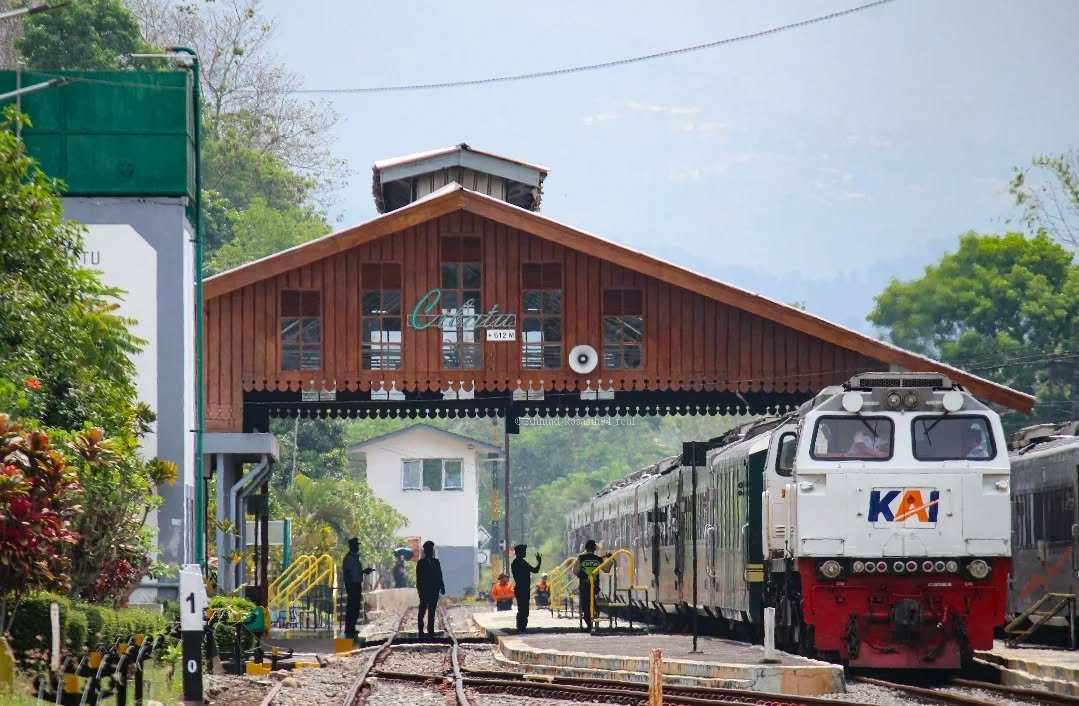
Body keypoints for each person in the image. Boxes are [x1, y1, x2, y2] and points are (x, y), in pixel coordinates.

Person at [342, 537, 375, 638]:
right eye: (356, 546)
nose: (357, 547)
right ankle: (349, 628)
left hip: (356, 584)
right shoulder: (349, 558)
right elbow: (347, 573)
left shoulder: (355, 558)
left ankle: (352, 627)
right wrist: (349, 585)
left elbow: (355, 572)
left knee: (355, 606)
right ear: (352, 546)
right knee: (352, 606)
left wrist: (364, 572)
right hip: (352, 585)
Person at [575, 539, 608, 632]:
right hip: (595, 586)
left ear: (586, 548)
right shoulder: (598, 559)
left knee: (585, 606)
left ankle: (589, 625)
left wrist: (582, 576)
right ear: (594, 549)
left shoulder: (581, 558)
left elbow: (575, 571)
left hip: (584, 585)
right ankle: (596, 622)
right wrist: (610, 559)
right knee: (594, 604)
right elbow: (607, 569)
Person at [415, 540, 445, 635]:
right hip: (424, 591)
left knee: (432, 611)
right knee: (422, 610)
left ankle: (430, 630)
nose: (431, 552)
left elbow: (439, 575)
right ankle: (420, 629)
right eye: (429, 550)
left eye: (431, 550)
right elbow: (418, 578)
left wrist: (442, 586)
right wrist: (419, 591)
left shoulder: (436, 562)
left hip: (434, 591)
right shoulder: (421, 563)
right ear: (426, 551)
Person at [510, 544, 541, 633]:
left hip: (521, 589)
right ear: (519, 553)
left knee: (523, 609)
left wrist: (539, 562)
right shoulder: (521, 563)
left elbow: (535, 571)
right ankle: (521, 627)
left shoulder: (517, 563)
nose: (525, 553)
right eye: (523, 551)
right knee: (523, 609)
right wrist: (539, 562)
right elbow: (535, 570)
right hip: (522, 589)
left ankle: (521, 627)